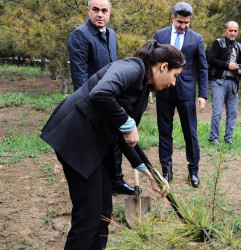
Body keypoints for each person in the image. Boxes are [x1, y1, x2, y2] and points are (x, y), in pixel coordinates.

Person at [41, 40, 185, 249]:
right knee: (88, 219)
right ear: (164, 67)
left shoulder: (144, 88)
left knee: (103, 215)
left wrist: (151, 174)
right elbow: (100, 93)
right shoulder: (132, 67)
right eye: (175, 76)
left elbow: (126, 139)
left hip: (94, 145)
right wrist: (127, 123)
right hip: (76, 140)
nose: (173, 83)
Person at [67, 0, 135, 195]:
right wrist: (92, 106)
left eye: (104, 10)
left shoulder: (111, 34)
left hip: (110, 98)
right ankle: (97, 184)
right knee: (95, 144)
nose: (100, 14)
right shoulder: (80, 36)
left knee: (113, 141)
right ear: (88, 10)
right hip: (92, 101)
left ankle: (116, 181)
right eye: (95, 10)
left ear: (110, 13)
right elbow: (80, 78)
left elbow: (116, 69)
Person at [153, 2, 208, 188]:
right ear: (173, 18)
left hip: (186, 93)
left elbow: (202, 67)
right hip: (164, 91)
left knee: (190, 133)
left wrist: (203, 95)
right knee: (164, 132)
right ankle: (166, 171)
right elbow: (152, 64)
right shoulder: (159, 35)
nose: (183, 26)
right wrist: (149, 89)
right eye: (180, 22)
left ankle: (193, 171)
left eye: (187, 22)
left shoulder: (197, 38)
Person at [207, 21, 241, 146]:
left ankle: (228, 139)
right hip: (219, 82)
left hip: (233, 83)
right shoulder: (218, 43)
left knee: (233, 113)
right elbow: (211, 60)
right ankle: (213, 138)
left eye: (235, 31)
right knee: (217, 112)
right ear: (225, 31)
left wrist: (239, 68)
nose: (233, 33)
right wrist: (227, 65)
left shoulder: (239, 46)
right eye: (230, 30)